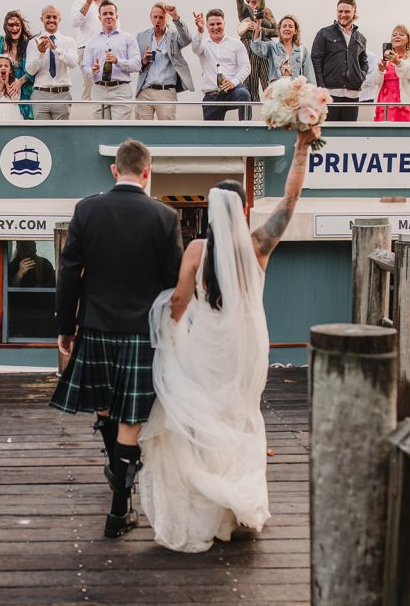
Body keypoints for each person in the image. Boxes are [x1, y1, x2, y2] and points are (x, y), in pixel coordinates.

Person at [139, 126, 320, 553]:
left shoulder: (197, 251)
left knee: (204, 424)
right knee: (241, 419)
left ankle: (211, 507)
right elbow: (290, 202)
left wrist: (170, 333)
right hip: (246, 350)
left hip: (204, 349)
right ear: (241, 210)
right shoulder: (259, 245)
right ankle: (238, 507)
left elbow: (179, 301)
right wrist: (301, 148)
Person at [50, 139, 183, 539]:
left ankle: (118, 496)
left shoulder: (86, 210)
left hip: (96, 327)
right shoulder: (166, 217)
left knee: (107, 409)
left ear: (114, 170)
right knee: (130, 416)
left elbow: (69, 272)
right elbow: (171, 284)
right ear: (147, 172)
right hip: (142, 332)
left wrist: (66, 328)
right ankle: (120, 499)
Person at [311, 0, 368, 122]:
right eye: (340, 11)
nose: (343, 14)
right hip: (330, 95)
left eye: (347, 11)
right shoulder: (324, 33)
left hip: (353, 95)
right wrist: (321, 87)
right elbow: (316, 60)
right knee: (329, 135)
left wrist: (361, 76)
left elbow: (364, 63)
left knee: (349, 135)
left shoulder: (361, 38)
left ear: (354, 12)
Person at [81, 0, 141, 121]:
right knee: (100, 132)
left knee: (119, 132)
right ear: (99, 17)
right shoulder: (92, 41)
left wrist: (118, 61)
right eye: (105, 14)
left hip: (121, 90)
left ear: (116, 16)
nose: (108, 17)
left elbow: (137, 64)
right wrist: (92, 70)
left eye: (111, 14)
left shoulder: (128, 38)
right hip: (98, 90)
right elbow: (84, 66)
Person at [135, 2, 194, 120]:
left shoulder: (174, 36)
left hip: (166, 91)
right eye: (155, 17)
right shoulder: (141, 37)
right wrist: (144, 61)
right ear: (150, 17)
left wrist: (176, 17)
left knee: (167, 132)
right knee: (141, 132)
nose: (157, 20)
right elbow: (135, 63)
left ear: (166, 18)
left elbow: (187, 39)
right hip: (145, 91)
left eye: (161, 17)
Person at [192, 8, 252, 121]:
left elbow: (245, 67)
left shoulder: (236, 44)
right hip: (212, 94)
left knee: (244, 94)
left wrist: (233, 82)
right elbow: (195, 48)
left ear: (224, 23)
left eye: (219, 23)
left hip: (233, 90)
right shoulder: (202, 45)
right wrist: (200, 30)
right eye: (212, 24)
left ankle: (246, 129)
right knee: (212, 136)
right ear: (207, 26)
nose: (215, 27)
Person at [25, 6, 78, 121]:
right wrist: (40, 53)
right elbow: (30, 70)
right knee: (42, 135)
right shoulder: (33, 42)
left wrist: (56, 49)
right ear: (42, 19)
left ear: (60, 19)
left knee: (62, 135)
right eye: (48, 17)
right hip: (40, 94)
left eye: (55, 17)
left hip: (62, 94)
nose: (51, 20)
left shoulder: (69, 41)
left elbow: (73, 63)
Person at [362, 24, 410, 121]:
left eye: (401, 34)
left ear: (408, 39)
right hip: (384, 104)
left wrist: (398, 62)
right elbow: (375, 81)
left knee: (405, 134)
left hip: (405, 105)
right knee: (385, 135)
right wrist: (380, 70)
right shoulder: (385, 58)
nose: (397, 36)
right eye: (394, 35)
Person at [0, 11, 35, 119]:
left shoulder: (28, 43)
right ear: (5, 26)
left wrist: (19, 83)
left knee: (24, 127)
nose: (14, 28)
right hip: (1, 91)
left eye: (17, 25)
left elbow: (34, 69)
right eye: (11, 25)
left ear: (21, 26)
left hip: (23, 92)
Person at [234, 0, 278, 102]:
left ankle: (272, 118)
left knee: (269, 84)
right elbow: (239, 0)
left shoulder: (267, 12)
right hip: (249, 46)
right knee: (250, 85)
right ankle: (248, 121)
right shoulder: (245, 10)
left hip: (265, 47)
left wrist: (260, 29)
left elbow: (277, 31)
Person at [70, 0, 107, 102]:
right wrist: (88, 3)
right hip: (86, 49)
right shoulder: (80, 2)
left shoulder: (107, 5)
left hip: (106, 49)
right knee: (90, 85)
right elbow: (74, 22)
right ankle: (89, 118)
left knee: (106, 83)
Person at [249, 14, 316, 86]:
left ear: (295, 31)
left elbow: (309, 75)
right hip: (277, 90)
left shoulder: (302, 50)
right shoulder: (272, 47)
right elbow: (256, 47)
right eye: (284, 26)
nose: (287, 28)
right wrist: (259, 23)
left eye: (290, 26)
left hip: (295, 90)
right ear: (279, 30)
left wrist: (312, 93)